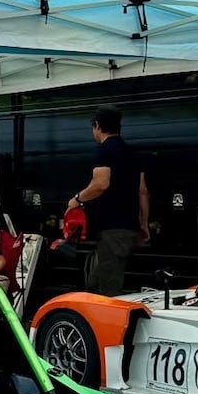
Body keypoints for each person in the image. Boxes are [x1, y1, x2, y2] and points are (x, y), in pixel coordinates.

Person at [67, 105, 149, 297]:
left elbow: (101, 183)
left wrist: (77, 199)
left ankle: (108, 326)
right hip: (127, 229)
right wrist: (143, 223)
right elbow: (143, 191)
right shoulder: (131, 153)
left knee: (108, 289)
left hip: (113, 230)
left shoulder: (105, 151)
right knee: (95, 282)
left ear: (97, 126)